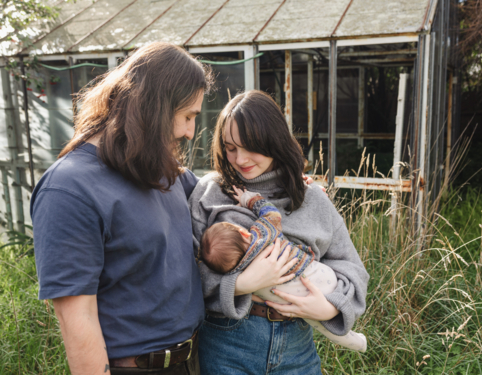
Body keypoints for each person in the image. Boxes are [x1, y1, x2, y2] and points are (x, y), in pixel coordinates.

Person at [31, 42, 213, 375]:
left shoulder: (161, 169)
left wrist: (287, 184)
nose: (190, 132)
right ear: (154, 107)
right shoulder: (70, 188)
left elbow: (217, 197)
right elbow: (77, 320)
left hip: (193, 361)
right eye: (187, 116)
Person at [189, 90, 370, 374]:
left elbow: (352, 268)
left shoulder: (313, 198)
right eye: (230, 147)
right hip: (227, 345)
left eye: (251, 146)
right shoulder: (209, 193)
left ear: (274, 140)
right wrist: (240, 284)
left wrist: (329, 309)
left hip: (297, 350)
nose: (240, 159)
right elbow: (185, 270)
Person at [200, 187, 367, 352]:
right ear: (243, 233)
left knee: (318, 324)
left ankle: (357, 343)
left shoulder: (240, 270)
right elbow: (271, 213)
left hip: (290, 303)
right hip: (317, 276)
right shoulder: (263, 234)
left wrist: (238, 285)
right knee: (319, 316)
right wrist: (249, 200)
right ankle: (354, 339)